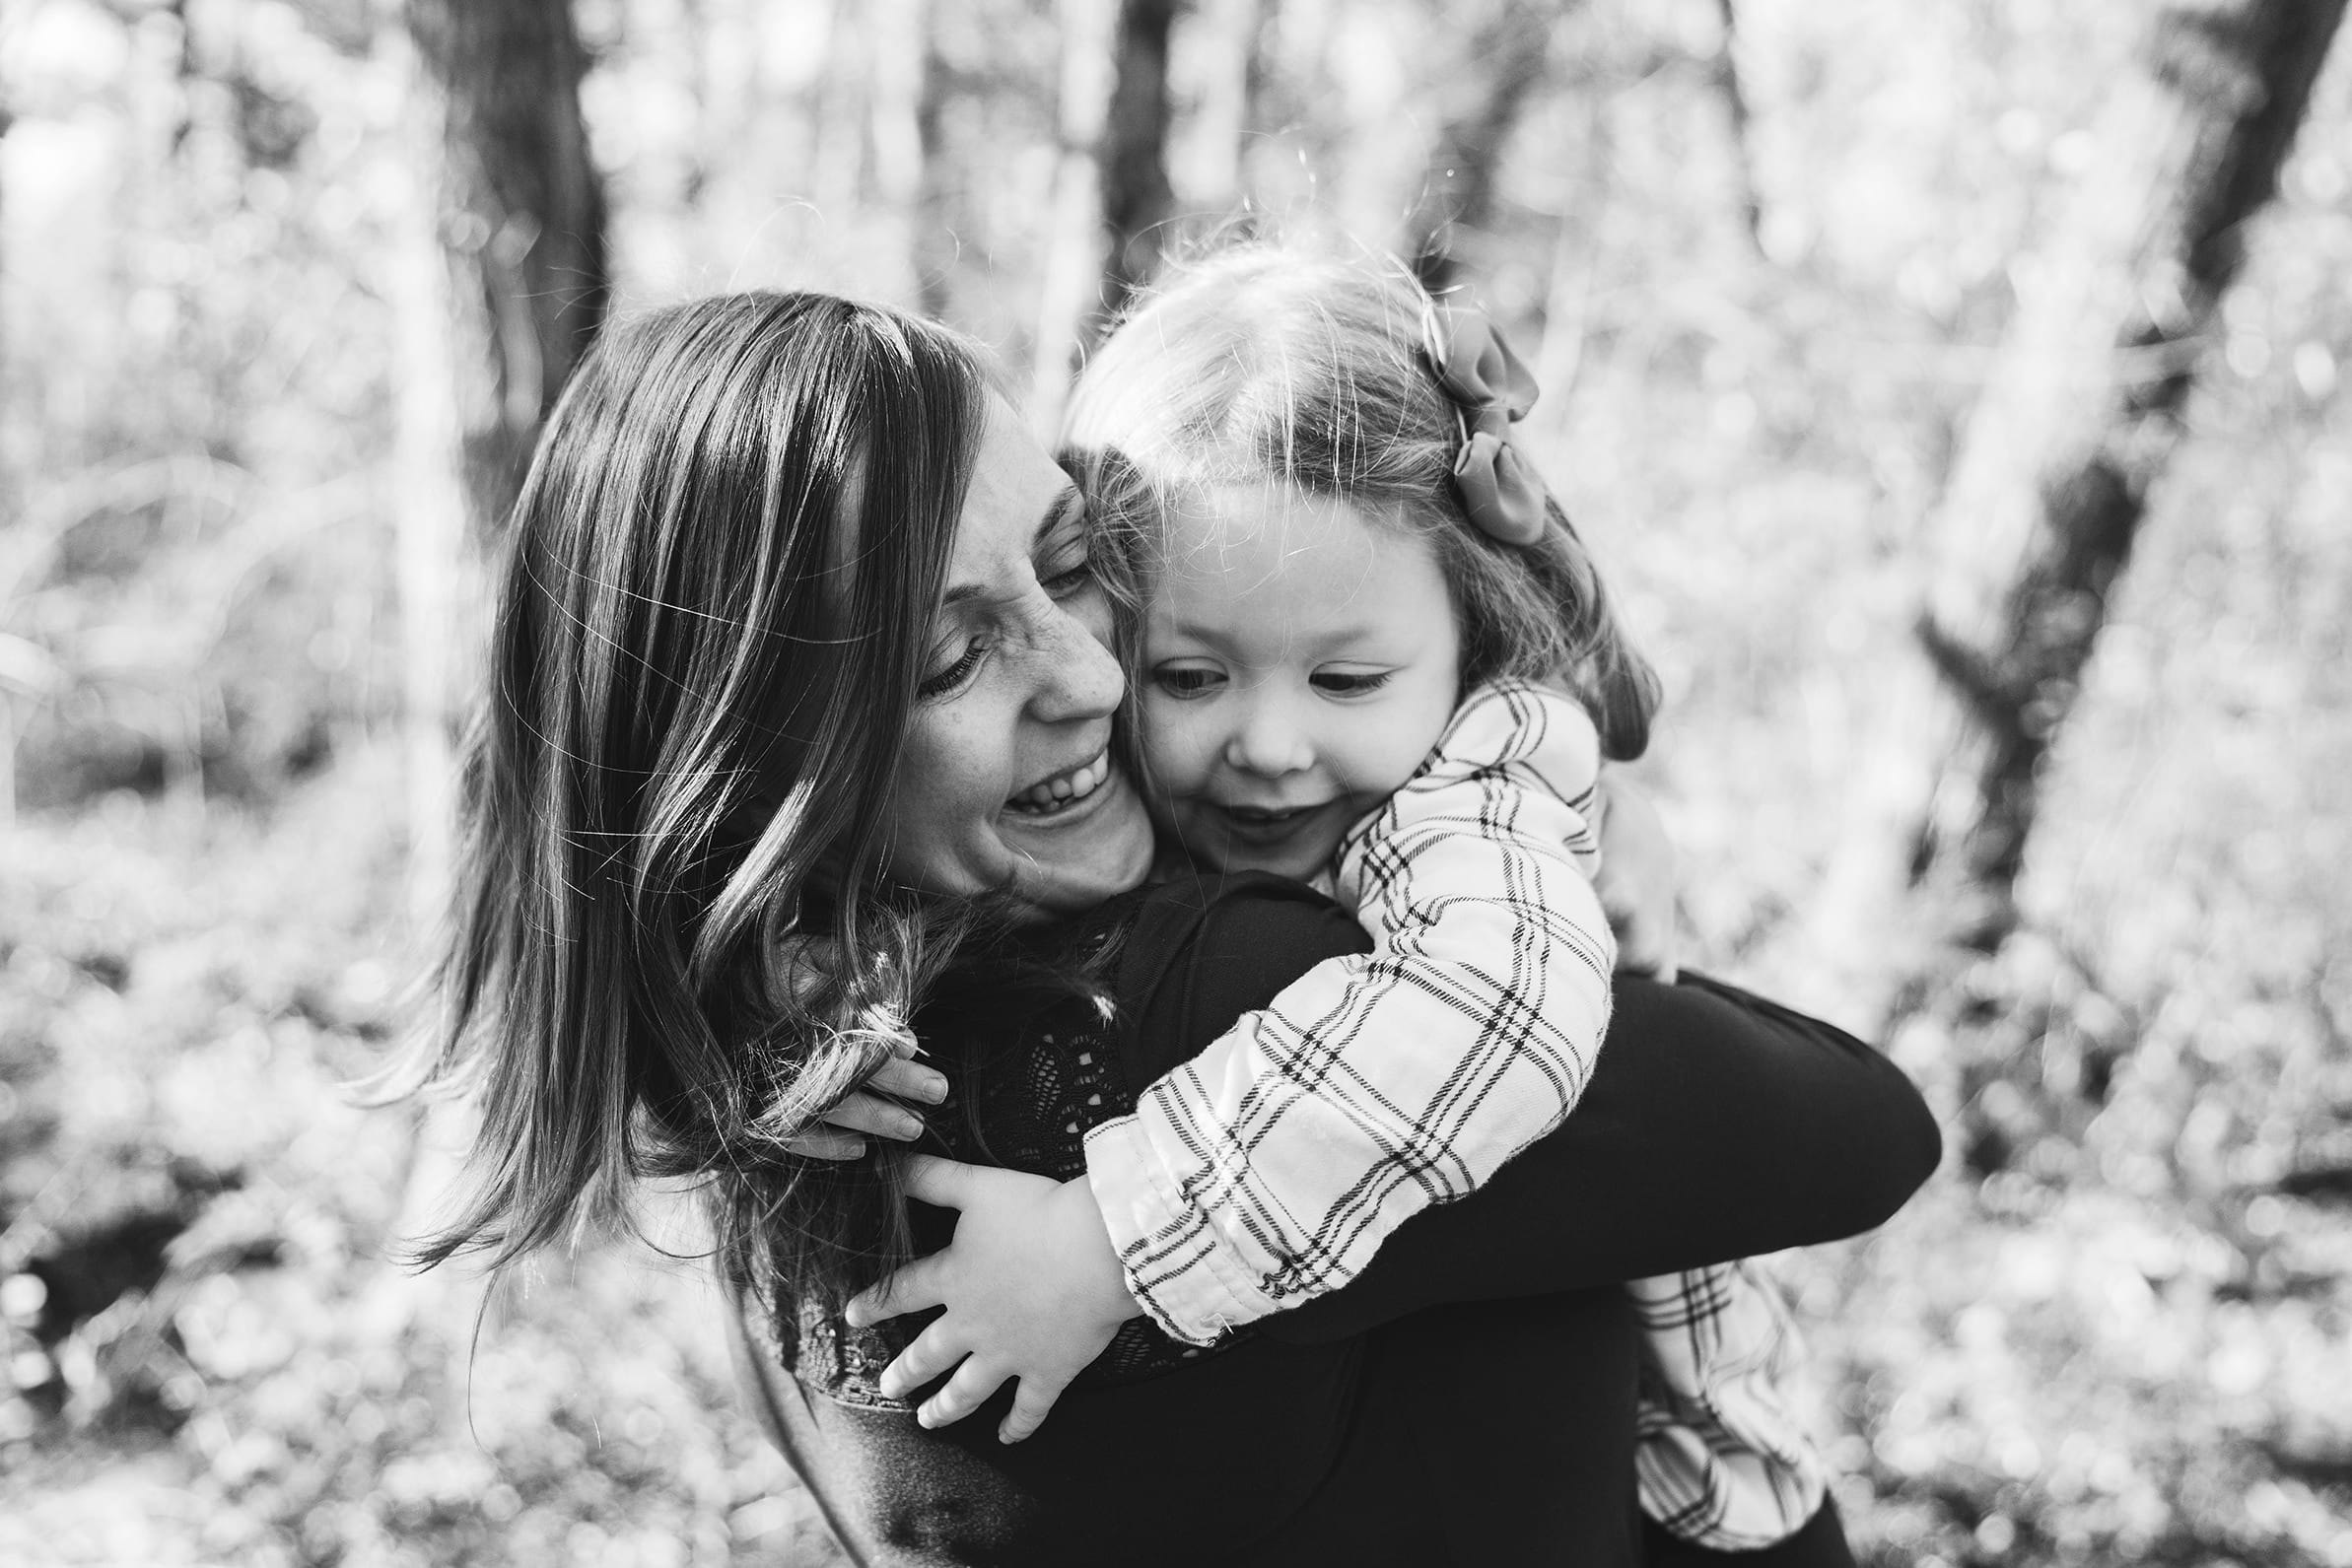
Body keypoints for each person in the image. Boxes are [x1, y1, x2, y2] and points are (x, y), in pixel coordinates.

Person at [401, 289, 1939, 1566]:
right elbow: (1860, 1129)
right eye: (950, 658)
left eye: (1074, 569)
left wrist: (1564, 802)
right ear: (758, 754)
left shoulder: (774, 1090)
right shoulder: (1231, 1008)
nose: (1086, 677)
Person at [848, 249, 1838, 1557]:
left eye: (1349, 681)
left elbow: (1495, 1017)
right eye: (1191, 675)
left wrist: (1111, 1240)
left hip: (1708, 1504)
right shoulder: (1119, 802)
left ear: (1468, 639)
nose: (1268, 745)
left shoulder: (1468, 786)